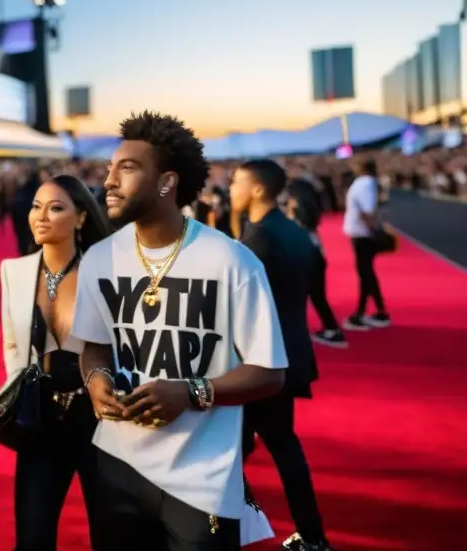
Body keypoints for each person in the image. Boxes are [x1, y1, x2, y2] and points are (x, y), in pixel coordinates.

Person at [71, 111, 287, 551]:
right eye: (110, 168)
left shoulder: (231, 260)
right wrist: (96, 381)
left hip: (202, 474)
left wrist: (190, 392)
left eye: (126, 168)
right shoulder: (99, 258)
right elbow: (93, 346)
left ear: (167, 183)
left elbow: (270, 372)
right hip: (116, 462)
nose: (108, 180)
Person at [0, 174, 114, 549]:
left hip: (98, 416)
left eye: (56, 207)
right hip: (40, 418)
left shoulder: (105, 271)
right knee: (32, 537)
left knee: (111, 534)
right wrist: (18, 399)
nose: (41, 216)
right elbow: (12, 346)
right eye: (36, 206)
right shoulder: (12, 271)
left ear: (81, 218)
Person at [230, 160, 332, 551]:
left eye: (237, 182)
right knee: (279, 445)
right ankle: (312, 535)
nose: (231, 190)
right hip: (290, 352)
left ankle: (224, 530)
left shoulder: (258, 241)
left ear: (257, 189)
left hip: (259, 361)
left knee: (233, 450)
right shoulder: (294, 232)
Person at [285, 178, 346, 348]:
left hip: (306, 256)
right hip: (316, 254)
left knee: (303, 297)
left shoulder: (296, 214)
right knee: (317, 296)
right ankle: (332, 328)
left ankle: (327, 330)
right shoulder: (310, 212)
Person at [342, 159, 390, 330]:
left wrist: (374, 230)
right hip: (361, 232)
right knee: (366, 272)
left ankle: (362, 312)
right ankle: (378, 310)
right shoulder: (365, 183)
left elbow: (366, 210)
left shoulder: (365, 183)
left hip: (363, 234)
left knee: (365, 273)